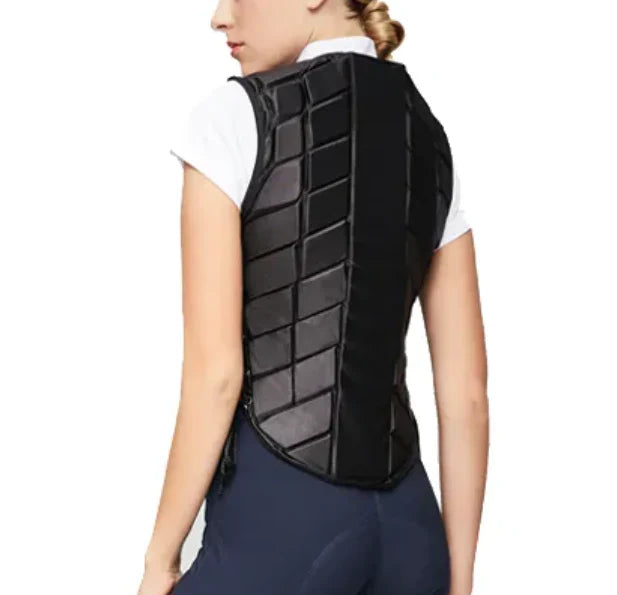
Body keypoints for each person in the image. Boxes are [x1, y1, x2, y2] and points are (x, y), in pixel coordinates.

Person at [138, 1, 488, 594]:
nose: (220, 16)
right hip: (412, 536)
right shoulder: (429, 139)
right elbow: (467, 397)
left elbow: (216, 377)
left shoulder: (234, 118)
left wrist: (159, 559)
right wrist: (458, 582)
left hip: (282, 528)